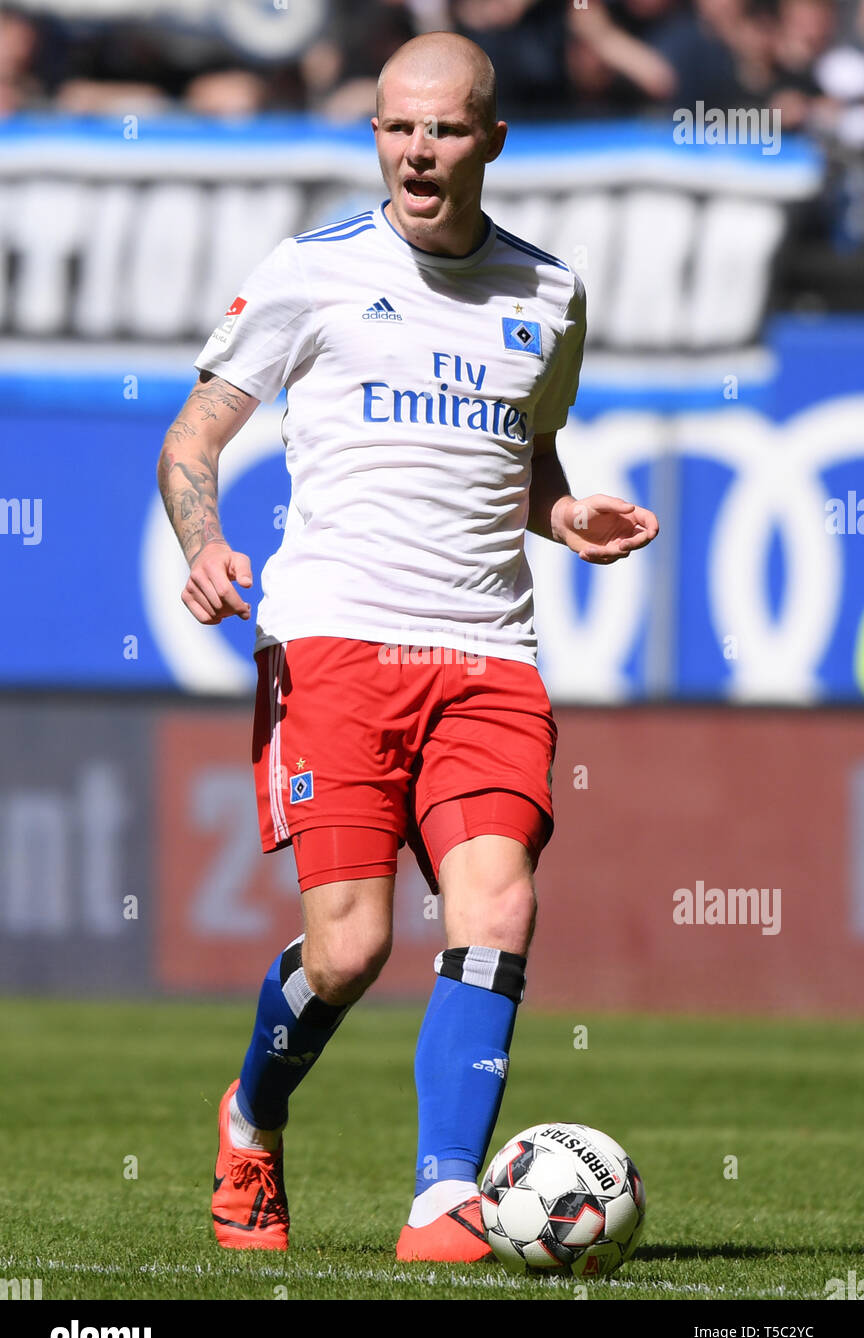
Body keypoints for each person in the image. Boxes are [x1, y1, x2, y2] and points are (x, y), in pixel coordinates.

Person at [157, 30, 659, 1263]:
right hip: (332, 643)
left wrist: (566, 511)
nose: (418, 150)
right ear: (376, 134)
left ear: (492, 137)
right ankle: (252, 1114)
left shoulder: (550, 294)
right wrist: (205, 542)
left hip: (490, 649)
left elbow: (526, 460)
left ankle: (442, 1199)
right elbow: (191, 441)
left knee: (497, 904)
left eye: (442, 128)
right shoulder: (311, 272)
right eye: (396, 127)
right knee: (354, 948)